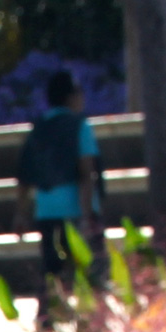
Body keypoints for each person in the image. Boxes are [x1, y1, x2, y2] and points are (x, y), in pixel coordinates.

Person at [19, 70, 102, 302]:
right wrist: (87, 215)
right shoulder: (80, 127)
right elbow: (86, 173)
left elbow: (24, 174)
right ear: (71, 96)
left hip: (45, 210)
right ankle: (88, 327)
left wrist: (21, 213)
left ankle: (45, 324)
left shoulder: (39, 128)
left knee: (51, 273)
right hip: (74, 211)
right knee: (86, 273)